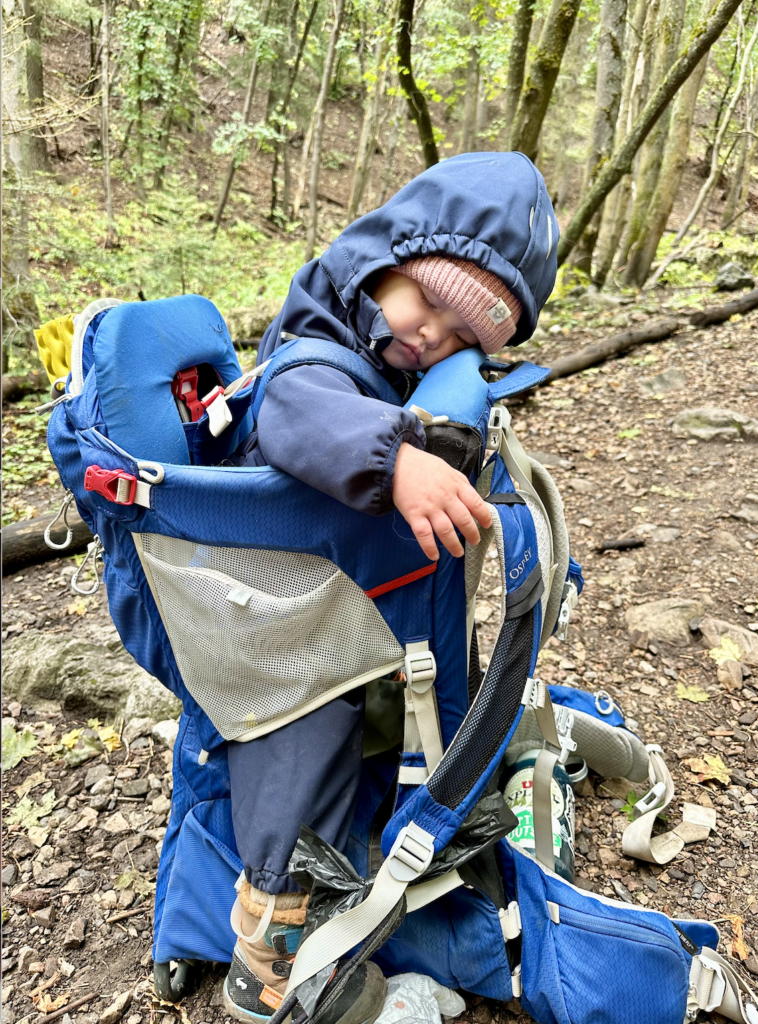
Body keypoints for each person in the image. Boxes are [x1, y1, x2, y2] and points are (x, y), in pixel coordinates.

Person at [222, 151, 559, 1024]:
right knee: (299, 745)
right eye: (430, 304)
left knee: (338, 728)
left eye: (460, 338)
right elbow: (295, 413)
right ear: (383, 260)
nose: (432, 338)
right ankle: (275, 964)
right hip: (278, 629)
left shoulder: (383, 348)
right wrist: (396, 462)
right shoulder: (315, 351)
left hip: (327, 601)